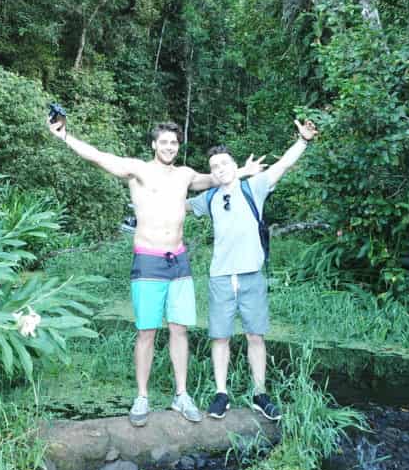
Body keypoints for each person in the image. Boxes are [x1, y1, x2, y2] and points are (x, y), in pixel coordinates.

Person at [47, 117, 256, 427]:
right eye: (164, 142)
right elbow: (99, 158)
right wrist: (65, 137)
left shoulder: (185, 174)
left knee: (179, 329)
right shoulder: (138, 170)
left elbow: (215, 179)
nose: (169, 147)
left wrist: (243, 172)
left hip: (179, 261)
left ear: (178, 146)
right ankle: (142, 397)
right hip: (148, 259)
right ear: (154, 144)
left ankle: (181, 395)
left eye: (174, 143)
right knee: (146, 332)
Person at [188, 119, 319, 422]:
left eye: (224, 163)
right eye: (214, 166)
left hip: (251, 276)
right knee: (220, 338)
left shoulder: (254, 188)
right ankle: (222, 394)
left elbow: (282, 166)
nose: (220, 169)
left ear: (234, 166)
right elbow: (175, 203)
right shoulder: (207, 198)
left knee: (255, 336)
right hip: (220, 277)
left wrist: (303, 141)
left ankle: (260, 393)